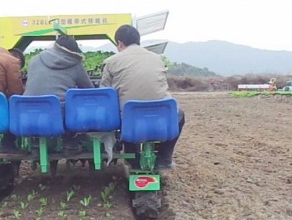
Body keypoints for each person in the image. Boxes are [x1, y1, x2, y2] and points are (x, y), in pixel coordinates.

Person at [100, 24, 185, 170]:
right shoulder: (157, 58)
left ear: (120, 43)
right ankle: (164, 158)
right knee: (180, 115)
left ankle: (133, 160)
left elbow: (105, 93)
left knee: (122, 120)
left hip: (130, 115)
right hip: (162, 113)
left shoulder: (111, 61)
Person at [24, 35, 94, 154]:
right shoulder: (75, 64)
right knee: (75, 105)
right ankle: (71, 141)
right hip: (58, 113)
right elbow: (89, 90)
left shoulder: (34, 60)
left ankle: (37, 142)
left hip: (28, 112)